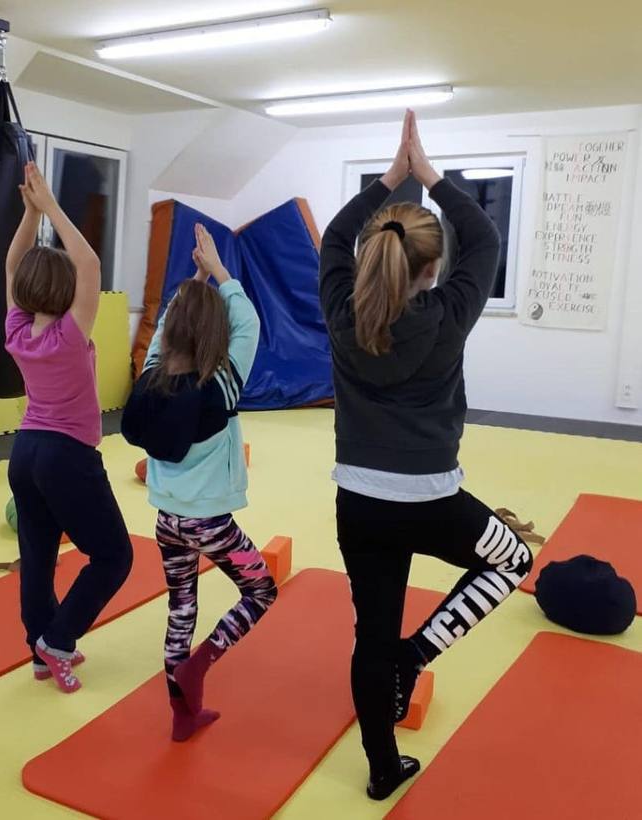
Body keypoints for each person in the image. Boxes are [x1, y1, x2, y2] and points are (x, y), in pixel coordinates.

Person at [319, 111, 534, 800]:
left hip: (359, 504)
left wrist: (388, 183)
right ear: (433, 268)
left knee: (368, 634)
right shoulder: (447, 315)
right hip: (431, 503)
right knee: (514, 560)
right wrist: (428, 175)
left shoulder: (340, 312)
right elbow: (486, 236)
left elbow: (331, 239)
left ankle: (383, 768)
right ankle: (416, 654)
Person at [121, 223, 277, 741]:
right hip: (210, 524)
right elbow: (249, 322)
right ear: (215, 336)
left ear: (169, 333)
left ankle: (181, 715)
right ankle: (200, 665)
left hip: (167, 521)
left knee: (181, 607)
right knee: (260, 591)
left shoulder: (148, 377)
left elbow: (165, 335)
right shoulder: (222, 386)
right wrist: (219, 274)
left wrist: (189, 288)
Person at [5, 162, 133, 694]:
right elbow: (90, 262)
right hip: (67, 458)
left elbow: (14, 265)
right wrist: (50, 207)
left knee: (38, 555)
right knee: (114, 555)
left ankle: (38, 644)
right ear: (68, 294)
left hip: (24, 453)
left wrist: (30, 214)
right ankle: (57, 639)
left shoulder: (16, 328)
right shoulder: (69, 334)